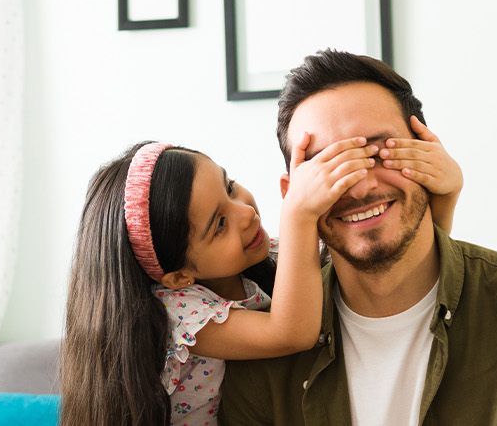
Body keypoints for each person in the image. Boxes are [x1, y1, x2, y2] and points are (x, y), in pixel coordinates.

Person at [218, 50, 497, 425]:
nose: (359, 188)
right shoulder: (262, 358)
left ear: (428, 156)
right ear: (291, 196)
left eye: (380, 153)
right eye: (328, 167)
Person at [58, 138, 464, 425]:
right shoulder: (176, 313)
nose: (245, 213)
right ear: (179, 276)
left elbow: (387, 273)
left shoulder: (264, 257)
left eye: (230, 186)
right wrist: (299, 213)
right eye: (219, 224)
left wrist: (443, 198)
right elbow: (291, 332)